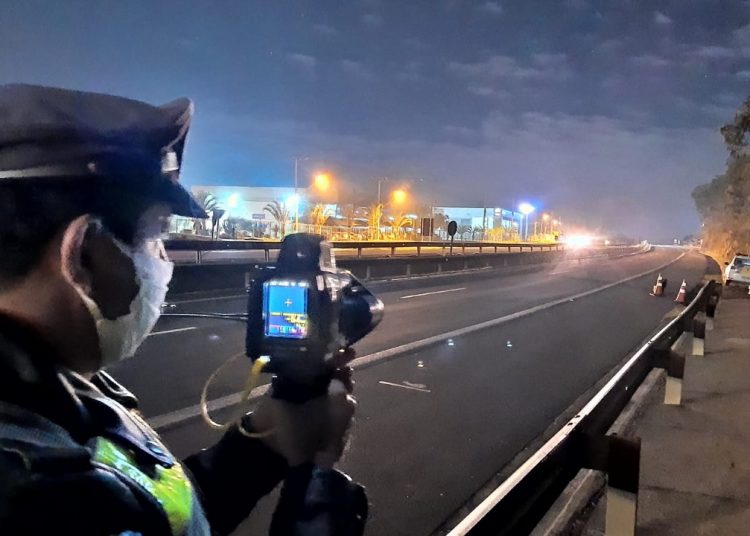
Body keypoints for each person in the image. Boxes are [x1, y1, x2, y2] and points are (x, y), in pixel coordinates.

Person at [0, 84, 364, 535]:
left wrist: (263, 446)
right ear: (86, 254)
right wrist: (318, 493)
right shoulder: (29, 491)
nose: (162, 259)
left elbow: (153, 514)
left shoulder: (50, 389)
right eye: (157, 234)